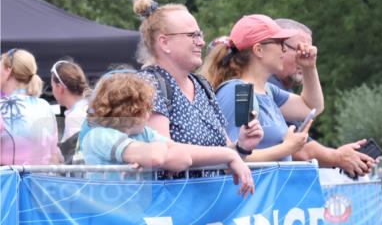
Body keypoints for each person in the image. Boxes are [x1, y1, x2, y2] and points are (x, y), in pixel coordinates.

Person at [131, 0, 264, 168]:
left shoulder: (202, 85)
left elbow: (225, 154)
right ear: (164, 43)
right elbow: (164, 151)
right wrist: (227, 154)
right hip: (173, 195)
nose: (201, 42)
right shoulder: (148, 84)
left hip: (210, 194)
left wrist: (242, 146)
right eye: (192, 35)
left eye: (200, 34)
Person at [81, 71, 253, 195]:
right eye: (147, 107)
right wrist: (155, 154)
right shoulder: (99, 136)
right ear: (134, 110)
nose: (149, 113)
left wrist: (229, 155)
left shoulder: (144, 133)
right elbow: (156, 157)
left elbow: (183, 158)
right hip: (108, 216)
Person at [266, 18, 375, 177]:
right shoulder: (262, 86)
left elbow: (313, 108)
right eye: (300, 50)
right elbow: (299, 150)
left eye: (309, 52)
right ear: (278, 48)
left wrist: (310, 67)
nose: (304, 58)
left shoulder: (276, 90)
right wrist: (338, 157)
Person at [203, 14, 314, 162]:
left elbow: (310, 106)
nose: (284, 50)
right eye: (280, 43)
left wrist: (309, 68)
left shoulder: (267, 90)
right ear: (258, 50)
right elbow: (235, 157)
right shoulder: (240, 92)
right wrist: (287, 148)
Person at [1, 48, 61, 165]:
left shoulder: (2, 107)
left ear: (8, 71)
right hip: (39, 180)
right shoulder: (44, 106)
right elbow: (53, 153)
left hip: (7, 181)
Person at [50, 59, 90, 161]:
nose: (52, 90)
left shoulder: (75, 116)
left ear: (59, 87)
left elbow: (77, 157)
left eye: (52, 86)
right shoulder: (88, 107)